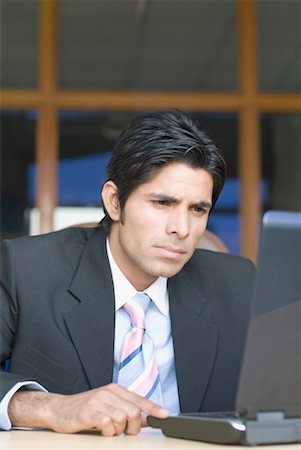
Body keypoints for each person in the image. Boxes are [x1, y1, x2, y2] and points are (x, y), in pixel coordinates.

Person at [0, 110, 255, 436]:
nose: (181, 229)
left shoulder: (238, 284)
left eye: (197, 209)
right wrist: (51, 407)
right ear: (114, 201)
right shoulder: (27, 269)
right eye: (162, 203)